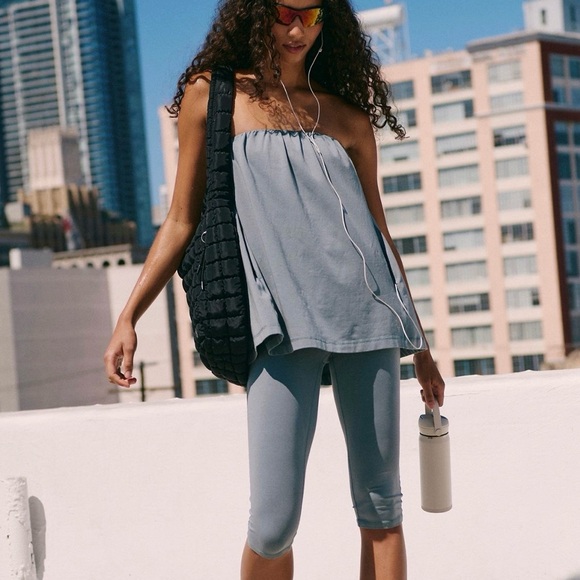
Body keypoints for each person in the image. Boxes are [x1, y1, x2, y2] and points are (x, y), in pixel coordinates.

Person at [104, 0, 445, 578]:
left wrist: (421, 345)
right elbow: (181, 219)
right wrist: (128, 317)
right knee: (272, 523)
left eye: (312, 16)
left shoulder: (347, 118)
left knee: (382, 509)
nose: (297, 29)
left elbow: (379, 233)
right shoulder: (214, 96)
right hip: (280, 326)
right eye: (286, 12)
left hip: (369, 318)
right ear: (256, 12)